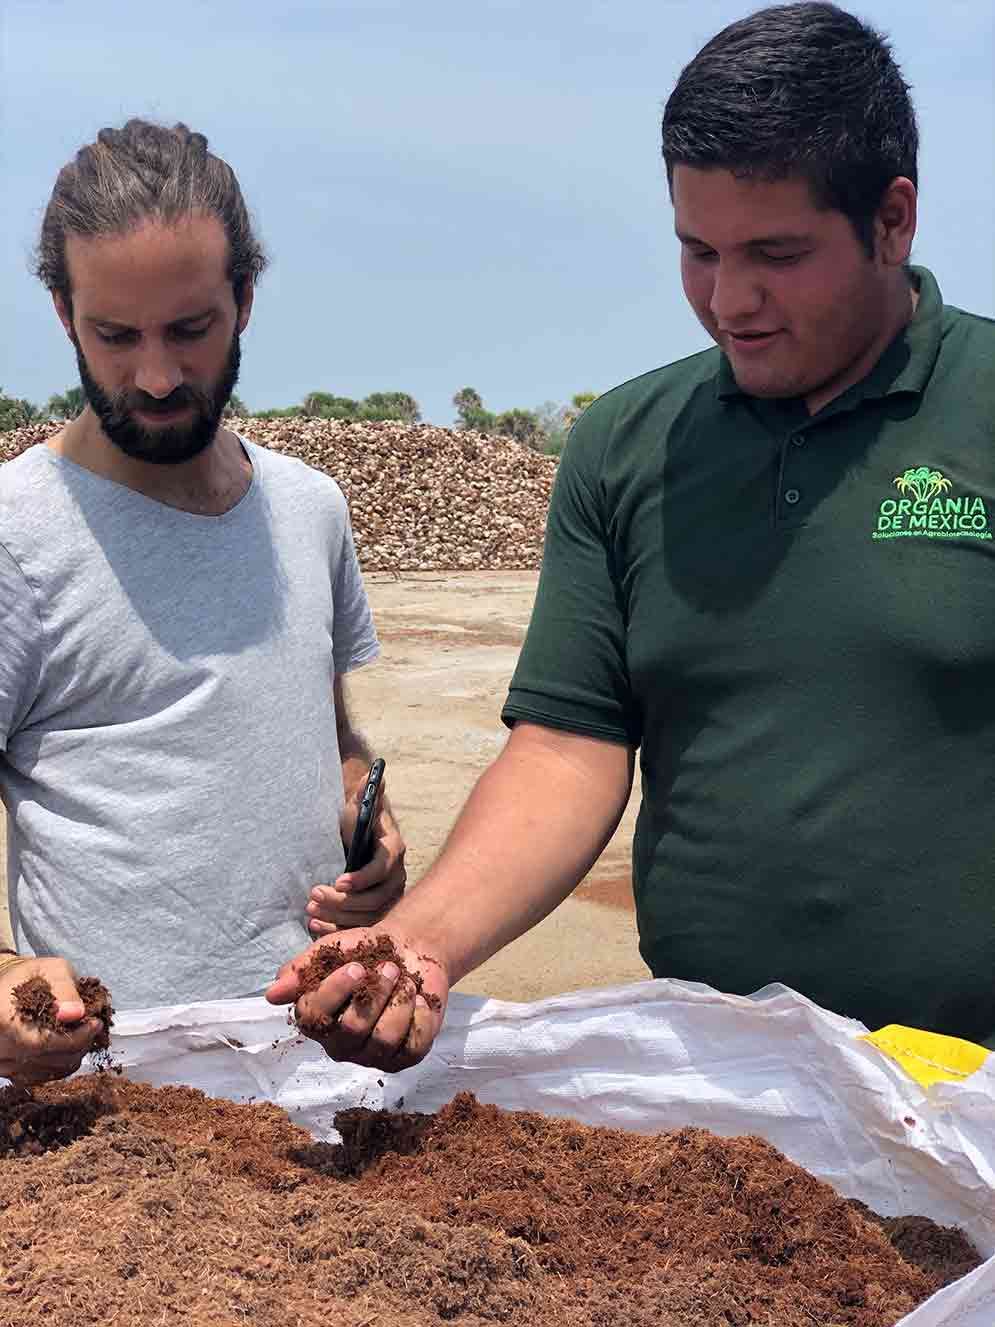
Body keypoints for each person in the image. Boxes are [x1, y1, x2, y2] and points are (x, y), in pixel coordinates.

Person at [267, 0, 995, 1068]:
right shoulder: (627, 445)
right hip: (710, 1080)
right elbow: (569, 745)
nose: (727, 299)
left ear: (891, 220)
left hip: (972, 1081)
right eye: (696, 251)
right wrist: (418, 939)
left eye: (774, 253)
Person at [0, 120, 405, 1086]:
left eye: (190, 329)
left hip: (320, 1069)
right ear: (63, 312)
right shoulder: (15, 536)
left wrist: (369, 828)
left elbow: (333, 737)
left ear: (246, 300)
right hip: (117, 1108)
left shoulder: (310, 509)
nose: (155, 376)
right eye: (114, 335)